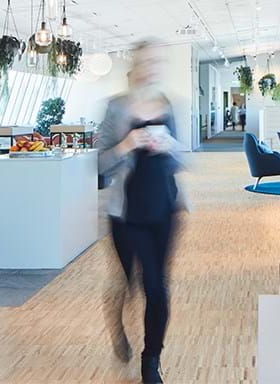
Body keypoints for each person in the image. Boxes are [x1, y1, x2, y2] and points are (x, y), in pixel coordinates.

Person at [97, 41, 184, 384]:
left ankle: (152, 359)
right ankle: (116, 323)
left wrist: (170, 146)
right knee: (127, 281)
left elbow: (184, 159)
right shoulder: (116, 107)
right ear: (135, 64)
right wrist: (126, 144)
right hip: (126, 213)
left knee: (157, 285)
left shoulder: (168, 105)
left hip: (165, 208)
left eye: (158, 61)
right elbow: (100, 162)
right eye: (146, 61)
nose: (152, 67)